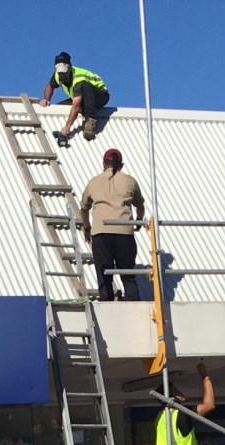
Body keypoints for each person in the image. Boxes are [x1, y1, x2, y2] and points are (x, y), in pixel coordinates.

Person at [80, 148, 145, 301]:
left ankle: (106, 302)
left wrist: (87, 228)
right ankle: (133, 301)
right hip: (124, 232)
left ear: (103, 164)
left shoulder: (94, 182)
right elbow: (140, 205)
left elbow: (84, 208)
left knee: (104, 274)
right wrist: (138, 221)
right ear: (121, 165)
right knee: (128, 273)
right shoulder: (130, 181)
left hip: (101, 233)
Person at [39, 52, 110, 145]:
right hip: (82, 96)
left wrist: (67, 128)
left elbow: (75, 106)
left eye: (64, 74)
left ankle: (90, 119)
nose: (62, 77)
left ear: (69, 68)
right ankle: (83, 110)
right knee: (60, 107)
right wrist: (46, 99)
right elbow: (50, 86)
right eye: (60, 74)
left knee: (85, 87)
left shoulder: (78, 78)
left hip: (100, 96)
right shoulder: (57, 75)